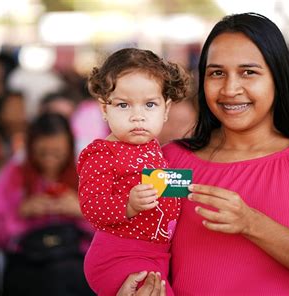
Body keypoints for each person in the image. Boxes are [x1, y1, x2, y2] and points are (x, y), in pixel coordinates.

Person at [120, 12, 289, 295]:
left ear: (277, 77)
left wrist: (251, 223)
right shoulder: (172, 160)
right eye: (217, 73)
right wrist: (129, 284)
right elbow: (133, 245)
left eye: (248, 72)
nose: (230, 89)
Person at [77, 48, 189, 296]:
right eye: (124, 105)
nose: (138, 116)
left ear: (166, 109)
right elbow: (91, 207)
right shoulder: (102, 153)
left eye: (150, 104)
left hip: (155, 257)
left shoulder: (154, 148)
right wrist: (129, 205)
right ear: (105, 109)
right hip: (119, 257)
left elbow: (168, 194)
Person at [0, 113, 93, 296]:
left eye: (58, 153)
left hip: (75, 259)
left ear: (70, 148)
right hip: (28, 260)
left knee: (63, 275)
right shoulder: (14, 175)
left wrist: (82, 212)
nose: (50, 159)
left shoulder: (86, 174)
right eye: (42, 153)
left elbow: (111, 231)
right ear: (30, 148)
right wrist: (21, 214)